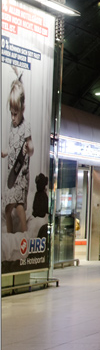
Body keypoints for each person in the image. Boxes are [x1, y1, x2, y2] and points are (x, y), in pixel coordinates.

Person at [2, 76, 33, 234]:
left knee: (19, 206)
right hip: (11, 175)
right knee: (8, 207)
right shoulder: (11, 126)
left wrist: (29, 149)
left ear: (23, 109)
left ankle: (24, 235)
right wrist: (4, 152)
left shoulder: (26, 126)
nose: (13, 118)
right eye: (11, 114)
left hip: (21, 173)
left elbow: (31, 147)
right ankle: (9, 235)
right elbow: (11, 147)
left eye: (16, 114)